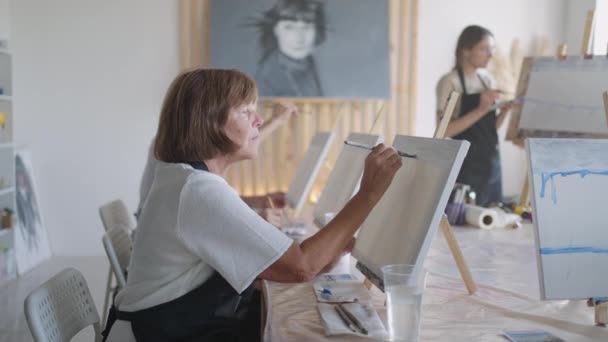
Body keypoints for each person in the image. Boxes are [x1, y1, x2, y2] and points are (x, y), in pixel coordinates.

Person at [103, 68, 401, 341]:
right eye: (247, 112)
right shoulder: (197, 189)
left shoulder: (187, 179)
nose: (259, 119)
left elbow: (282, 264)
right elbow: (301, 267)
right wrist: (369, 194)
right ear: (208, 122)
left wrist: (325, 250)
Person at [136, 101, 298, 226]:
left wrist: (258, 202)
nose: (258, 120)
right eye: (244, 112)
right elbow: (207, 211)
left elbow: (211, 204)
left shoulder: (189, 164)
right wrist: (254, 222)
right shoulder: (190, 170)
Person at [436, 25, 513, 207]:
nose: (490, 55)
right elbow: (444, 130)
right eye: (485, 49)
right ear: (465, 50)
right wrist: (481, 110)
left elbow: (489, 129)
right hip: (467, 166)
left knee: (492, 217)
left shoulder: (487, 81)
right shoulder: (450, 82)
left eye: (492, 49)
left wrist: (504, 113)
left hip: (492, 163)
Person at [252, 0, 325, 97]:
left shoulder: (311, 63)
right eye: (289, 27)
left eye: (307, 27)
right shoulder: (267, 76)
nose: (299, 37)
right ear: (275, 30)